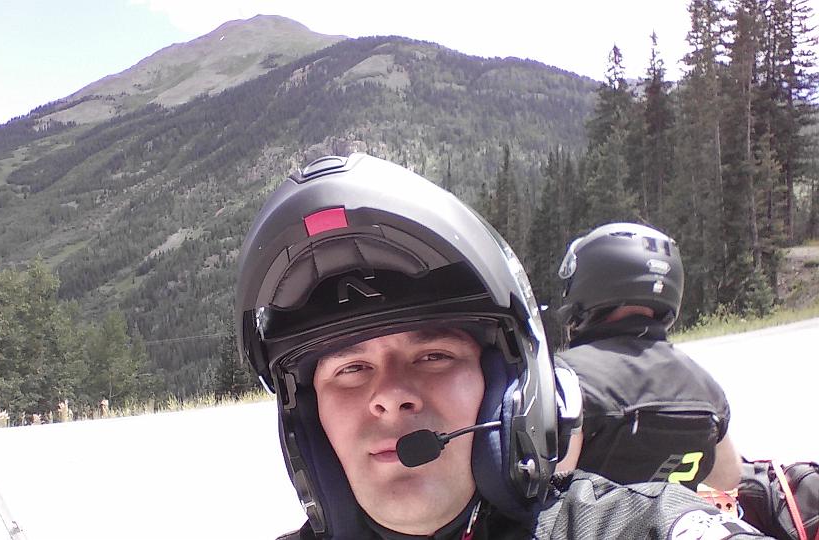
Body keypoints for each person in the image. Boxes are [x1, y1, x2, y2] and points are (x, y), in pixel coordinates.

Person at [235, 153, 766, 539]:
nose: (391, 396)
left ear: (515, 397)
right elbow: (729, 478)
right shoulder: (706, 386)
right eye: (350, 368)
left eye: (433, 356)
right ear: (309, 420)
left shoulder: (625, 526)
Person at [553, 223, 743, 493]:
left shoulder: (569, 378)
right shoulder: (705, 384)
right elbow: (728, 477)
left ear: (592, 280)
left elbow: (552, 490)